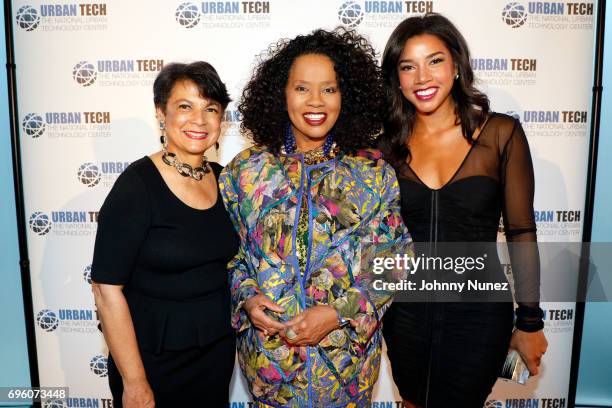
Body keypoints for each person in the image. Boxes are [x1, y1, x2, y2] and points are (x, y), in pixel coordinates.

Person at [220, 28, 410, 407]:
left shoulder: (370, 172)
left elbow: (396, 261)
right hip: (269, 369)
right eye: (302, 88)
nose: (316, 101)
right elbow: (231, 257)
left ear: (346, 95)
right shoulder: (246, 171)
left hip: (346, 372)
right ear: (282, 94)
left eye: (330, 88)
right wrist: (246, 299)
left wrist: (337, 313)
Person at [378, 13, 548, 408]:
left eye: (434, 60)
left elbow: (522, 230)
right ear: (397, 78)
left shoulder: (500, 134)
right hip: (405, 315)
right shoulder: (385, 147)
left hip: (479, 315)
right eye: (408, 66)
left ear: (456, 64)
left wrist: (529, 321)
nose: (422, 77)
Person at [91, 61, 238, 407]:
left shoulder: (225, 179)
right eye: (185, 106)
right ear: (161, 113)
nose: (199, 120)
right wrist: (135, 382)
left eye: (211, 109)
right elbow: (106, 290)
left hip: (215, 355)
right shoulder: (136, 186)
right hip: (153, 363)